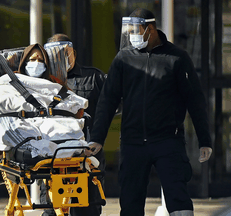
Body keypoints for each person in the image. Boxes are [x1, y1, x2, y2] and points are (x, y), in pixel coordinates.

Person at [85, 8, 213, 216]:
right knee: (130, 203)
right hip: (133, 142)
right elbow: (108, 100)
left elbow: (195, 100)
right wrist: (98, 137)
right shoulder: (123, 59)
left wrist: (204, 139)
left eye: (136, 30)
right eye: (130, 31)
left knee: (178, 199)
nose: (132, 36)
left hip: (167, 141)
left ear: (150, 29)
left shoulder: (176, 58)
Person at [0, 43, 88, 161]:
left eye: (40, 60)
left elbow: (75, 106)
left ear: (46, 65)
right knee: (1, 127)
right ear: (24, 63)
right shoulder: (7, 82)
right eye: (32, 59)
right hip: (22, 125)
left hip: (52, 125)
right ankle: (46, 150)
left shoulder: (56, 86)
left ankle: (55, 149)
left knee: (70, 128)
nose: (36, 63)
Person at [40, 34, 106, 216]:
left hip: (87, 154)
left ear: (73, 53)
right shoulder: (41, 82)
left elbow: (111, 107)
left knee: (86, 208)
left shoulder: (93, 77)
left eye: (64, 52)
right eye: (54, 54)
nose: (60, 58)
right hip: (53, 156)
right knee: (51, 208)